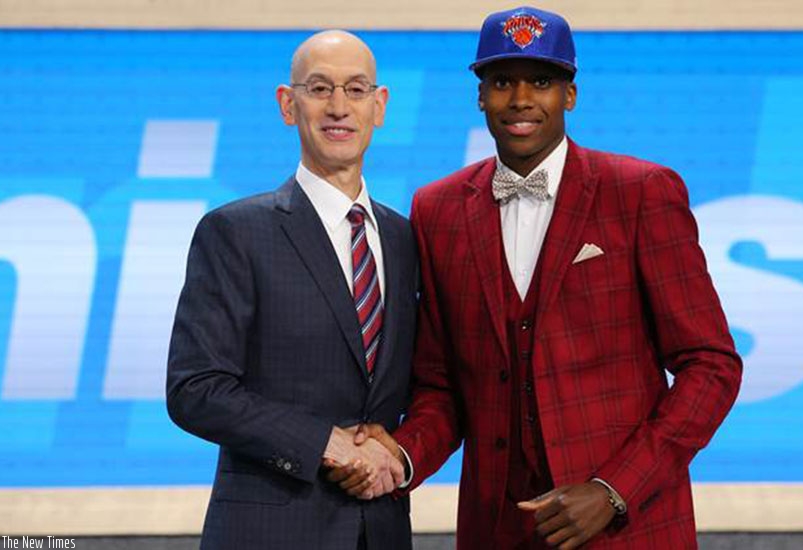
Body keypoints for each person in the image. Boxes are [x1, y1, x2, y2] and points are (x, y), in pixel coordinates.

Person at [337, 7, 742, 549]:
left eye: (542, 81)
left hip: (629, 529)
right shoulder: (438, 210)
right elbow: (441, 385)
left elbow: (710, 367)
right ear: (480, 96)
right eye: (502, 81)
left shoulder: (640, 192)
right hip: (496, 531)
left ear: (569, 95)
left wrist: (613, 491)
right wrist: (399, 455)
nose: (521, 99)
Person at [166, 30, 418, 550]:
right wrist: (325, 444)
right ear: (288, 104)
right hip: (270, 531)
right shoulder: (235, 231)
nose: (338, 107)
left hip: (383, 529)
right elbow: (195, 389)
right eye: (319, 88)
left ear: (380, 105)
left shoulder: (404, 238)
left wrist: (399, 454)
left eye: (355, 89)